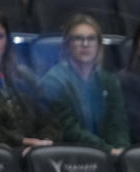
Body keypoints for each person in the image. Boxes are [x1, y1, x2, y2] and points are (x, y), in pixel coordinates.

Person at [0, 7, 61, 153]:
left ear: (7, 40)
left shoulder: (24, 76)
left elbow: (49, 119)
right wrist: (23, 141)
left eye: (0, 36)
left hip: (34, 152)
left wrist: (42, 142)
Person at [39, 13, 130, 155]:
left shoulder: (109, 80)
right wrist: (109, 151)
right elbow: (70, 130)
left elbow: (118, 125)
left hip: (110, 156)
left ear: (99, 45)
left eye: (91, 38)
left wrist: (123, 151)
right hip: (70, 157)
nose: (85, 44)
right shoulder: (53, 81)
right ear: (68, 44)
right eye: (78, 39)